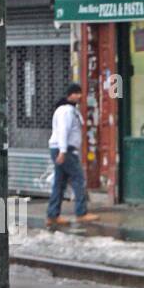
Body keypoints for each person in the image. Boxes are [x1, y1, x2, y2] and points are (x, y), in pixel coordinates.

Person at [47, 83, 94, 226]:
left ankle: (53, 215)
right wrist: (63, 151)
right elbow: (63, 131)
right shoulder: (66, 111)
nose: (80, 96)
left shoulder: (70, 110)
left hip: (62, 149)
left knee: (59, 183)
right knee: (78, 179)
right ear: (70, 94)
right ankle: (81, 212)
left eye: (80, 93)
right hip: (65, 149)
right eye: (77, 93)